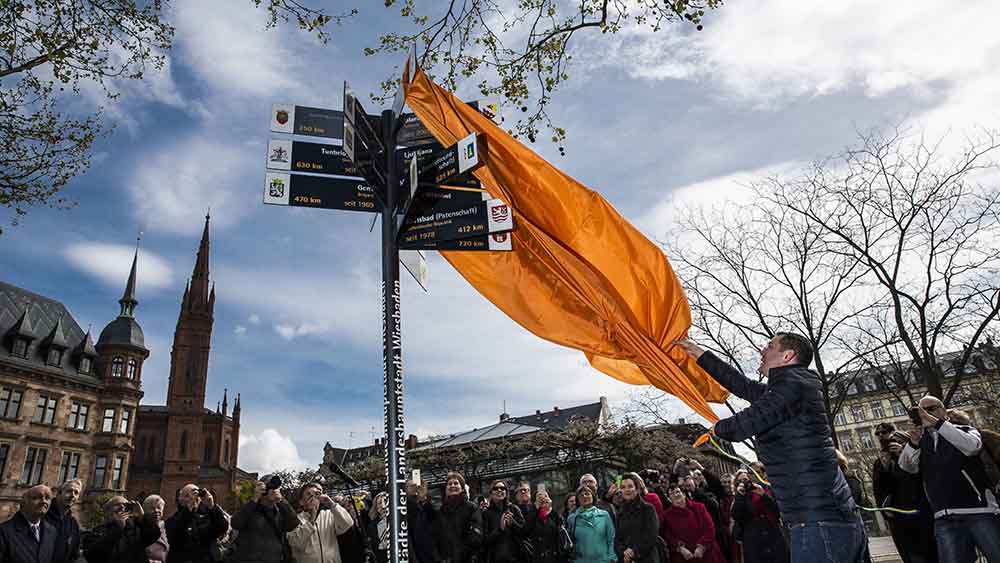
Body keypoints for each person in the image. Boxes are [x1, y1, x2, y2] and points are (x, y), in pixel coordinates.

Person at [675, 335, 864, 563]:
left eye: (770, 346)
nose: (762, 349)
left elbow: (746, 423)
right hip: (823, 517)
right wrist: (698, 352)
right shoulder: (790, 387)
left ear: (787, 356)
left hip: (819, 521)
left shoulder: (792, 387)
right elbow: (741, 384)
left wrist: (718, 428)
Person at [898, 395, 1000, 562]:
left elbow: (971, 447)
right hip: (944, 517)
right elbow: (907, 467)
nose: (925, 414)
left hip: (979, 511)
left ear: (943, 410)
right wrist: (914, 441)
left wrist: (938, 424)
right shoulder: (923, 441)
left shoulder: (965, 430)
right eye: (921, 411)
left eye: (930, 409)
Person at [871, 424, 938, 563]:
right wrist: (885, 466)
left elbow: (921, 476)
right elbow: (880, 490)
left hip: (923, 512)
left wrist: (904, 454)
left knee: (934, 552)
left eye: (884, 432)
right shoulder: (880, 462)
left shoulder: (915, 453)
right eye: (877, 434)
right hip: (900, 518)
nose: (880, 435)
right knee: (913, 556)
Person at [228, 478, 300, 563]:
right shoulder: (251, 509)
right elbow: (235, 523)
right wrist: (254, 499)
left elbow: (294, 523)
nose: (273, 490)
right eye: (270, 487)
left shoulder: (281, 511)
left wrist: (281, 501)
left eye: (275, 488)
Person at [286, 482, 355, 563]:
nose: (313, 497)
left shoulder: (329, 514)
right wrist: (311, 521)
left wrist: (331, 503)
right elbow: (295, 543)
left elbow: (348, 523)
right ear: (301, 501)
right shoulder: (295, 519)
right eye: (308, 494)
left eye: (316, 494)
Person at [83, 496, 162, 563]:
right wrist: (118, 528)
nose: (122, 507)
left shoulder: (136, 529)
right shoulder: (97, 531)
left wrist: (142, 517)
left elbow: (154, 535)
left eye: (126, 505)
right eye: (117, 505)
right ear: (107, 511)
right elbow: (92, 555)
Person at [731, 472, 788, 563]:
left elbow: (776, 511)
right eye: (739, 481)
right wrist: (740, 497)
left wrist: (763, 495)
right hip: (753, 540)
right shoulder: (739, 497)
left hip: (772, 534)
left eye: (745, 480)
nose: (743, 483)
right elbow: (736, 516)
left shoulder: (765, 490)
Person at [165, 484, 229, 563]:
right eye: (188, 496)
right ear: (180, 500)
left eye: (197, 495)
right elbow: (174, 536)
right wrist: (188, 510)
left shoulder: (207, 517)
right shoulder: (173, 520)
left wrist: (211, 506)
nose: (194, 498)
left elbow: (221, 528)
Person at [663, 482, 724, 563]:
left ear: (684, 494)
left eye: (678, 491)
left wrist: (702, 546)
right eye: (672, 493)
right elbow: (668, 536)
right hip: (685, 556)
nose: (675, 495)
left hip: (707, 553)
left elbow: (710, 527)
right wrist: (680, 548)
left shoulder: (699, 507)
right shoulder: (667, 515)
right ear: (669, 498)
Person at [431, 472, 483, 563]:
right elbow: (435, 538)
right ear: (446, 489)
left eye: (456, 483)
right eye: (449, 484)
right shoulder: (441, 512)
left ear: (462, 488)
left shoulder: (471, 507)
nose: (452, 486)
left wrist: (463, 554)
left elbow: (476, 536)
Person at [0, 485, 57, 563]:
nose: (44, 501)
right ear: (23, 503)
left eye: (47, 498)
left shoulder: (52, 531)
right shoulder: (4, 531)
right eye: (37, 497)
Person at [614, 473, 660, 563]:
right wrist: (623, 552)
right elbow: (617, 538)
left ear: (637, 489)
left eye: (630, 486)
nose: (627, 490)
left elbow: (651, 535)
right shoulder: (619, 513)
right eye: (623, 487)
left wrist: (634, 551)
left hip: (647, 559)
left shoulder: (648, 509)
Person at [566, 486, 615, 563]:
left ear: (593, 496)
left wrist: (612, 557)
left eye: (587, 494)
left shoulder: (604, 515)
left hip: (603, 560)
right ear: (578, 500)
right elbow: (569, 540)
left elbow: (611, 538)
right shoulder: (572, 518)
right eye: (581, 495)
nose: (584, 496)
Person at [481, 479, 526, 563]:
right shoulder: (486, 513)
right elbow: (484, 540)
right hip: (495, 559)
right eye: (496, 488)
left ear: (506, 492)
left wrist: (513, 523)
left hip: (516, 558)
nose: (499, 490)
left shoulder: (514, 509)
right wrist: (500, 529)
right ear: (491, 493)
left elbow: (524, 533)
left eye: (502, 488)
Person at [47, 479, 83, 563]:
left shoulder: (73, 524)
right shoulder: (42, 514)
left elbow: (74, 554)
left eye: (76, 493)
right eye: (69, 491)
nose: (72, 495)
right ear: (59, 493)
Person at [527, 490, 565, 563]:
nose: (543, 499)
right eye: (539, 497)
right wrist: (537, 508)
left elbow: (560, 526)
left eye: (545, 496)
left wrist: (551, 509)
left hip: (555, 557)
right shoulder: (532, 515)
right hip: (539, 558)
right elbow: (526, 530)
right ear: (535, 502)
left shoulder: (553, 514)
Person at [142, 495, 169, 563]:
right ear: (144, 510)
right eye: (152, 508)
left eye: (159, 508)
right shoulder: (139, 527)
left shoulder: (166, 527)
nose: (156, 510)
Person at [366, 492, 390, 563]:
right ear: (376, 507)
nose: (383, 506)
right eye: (379, 503)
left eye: (385, 501)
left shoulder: (399, 520)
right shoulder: (371, 526)